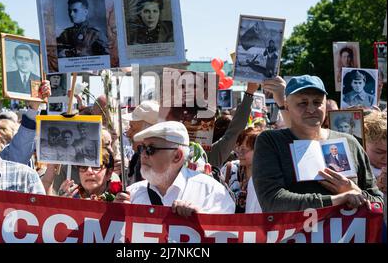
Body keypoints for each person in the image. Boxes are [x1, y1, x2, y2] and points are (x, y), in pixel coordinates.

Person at [252, 75, 384, 212]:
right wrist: (338, 199)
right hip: (296, 233)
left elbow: (378, 201)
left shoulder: (350, 142)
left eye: (317, 102)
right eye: (302, 103)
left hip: (348, 233)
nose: (311, 109)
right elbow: (272, 202)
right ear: (286, 105)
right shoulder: (271, 141)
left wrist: (353, 190)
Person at [115, 121, 236, 216]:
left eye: (150, 149)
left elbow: (225, 234)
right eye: (142, 148)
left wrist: (200, 219)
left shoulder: (211, 192)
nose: (143, 155)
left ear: (177, 156)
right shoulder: (131, 194)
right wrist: (115, 214)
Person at [123, 100, 160, 184]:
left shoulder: (157, 166)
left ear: (148, 133)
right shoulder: (137, 158)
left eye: (133, 128)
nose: (128, 133)